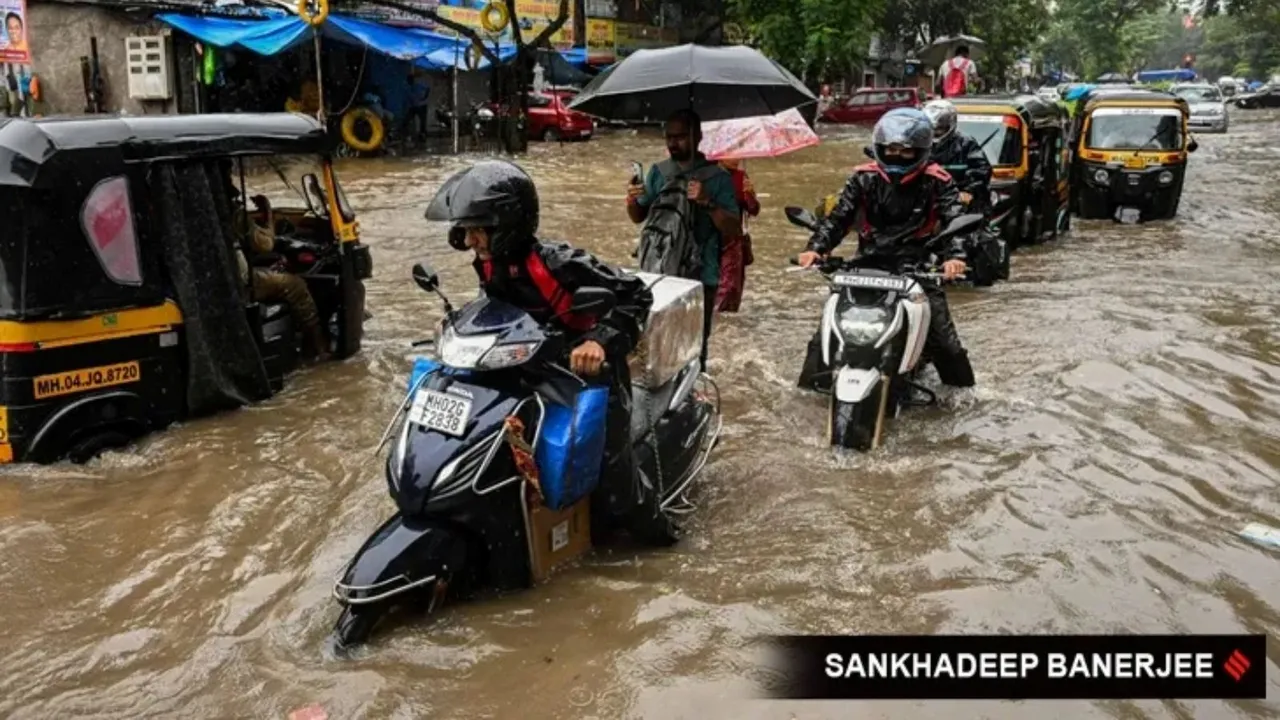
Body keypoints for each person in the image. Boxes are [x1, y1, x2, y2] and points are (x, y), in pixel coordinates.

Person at [428, 160, 656, 524]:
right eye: (466, 230)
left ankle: (653, 528)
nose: (469, 241)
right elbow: (495, 311)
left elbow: (636, 294)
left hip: (584, 374)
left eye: (477, 230)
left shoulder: (557, 261)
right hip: (522, 368)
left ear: (506, 225)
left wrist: (597, 341)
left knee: (613, 483)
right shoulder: (488, 260)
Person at [795, 108, 976, 389]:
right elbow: (839, 218)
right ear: (880, 148)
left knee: (945, 342)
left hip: (917, 268)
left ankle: (964, 397)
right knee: (823, 338)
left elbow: (954, 218)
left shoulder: (938, 181)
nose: (897, 156)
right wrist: (816, 249)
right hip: (866, 266)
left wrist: (955, 257)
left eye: (906, 151)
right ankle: (808, 394)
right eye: (891, 150)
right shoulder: (862, 178)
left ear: (921, 151)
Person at [625, 109, 739, 369]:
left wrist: (707, 201)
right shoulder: (659, 172)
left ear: (697, 136)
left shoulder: (719, 178)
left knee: (694, 348)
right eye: (669, 137)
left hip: (701, 277)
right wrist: (631, 199)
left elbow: (733, 229)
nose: (673, 143)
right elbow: (638, 217)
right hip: (660, 272)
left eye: (680, 137)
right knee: (656, 345)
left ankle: (695, 385)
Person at [221, 164, 329, 362]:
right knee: (296, 285)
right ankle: (319, 348)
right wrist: (268, 213)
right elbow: (266, 244)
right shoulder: (231, 212)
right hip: (238, 281)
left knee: (269, 269)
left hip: (220, 277)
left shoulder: (201, 207)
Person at [922, 99, 992, 212]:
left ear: (951, 125)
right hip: (925, 200)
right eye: (930, 129)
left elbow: (981, 170)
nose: (934, 133)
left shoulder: (966, 143)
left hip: (958, 202)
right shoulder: (919, 144)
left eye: (939, 129)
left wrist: (968, 191)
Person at [715, 158, 760, 313]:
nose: (736, 159)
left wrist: (749, 194)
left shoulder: (741, 177)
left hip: (733, 241)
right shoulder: (709, 176)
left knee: (732, 287)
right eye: (730, 154)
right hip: (712, 239)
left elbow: (753, 209)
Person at [405, 73, 430, 141]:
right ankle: (407, 134)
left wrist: (425, 97)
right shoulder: (408, 88)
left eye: (410, 80)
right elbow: (409, 98)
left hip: (421, 105)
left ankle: (422, 134)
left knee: (423, 121)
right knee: (407, 120)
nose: (409, 81)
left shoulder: (418, 85)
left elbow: (428, 88)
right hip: (413, 106)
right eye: (408, 80)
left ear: (412, 80)